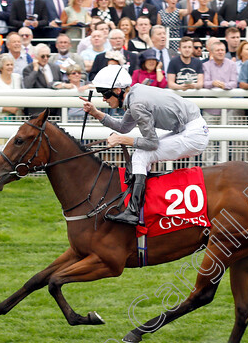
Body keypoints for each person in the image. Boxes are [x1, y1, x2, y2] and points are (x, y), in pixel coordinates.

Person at [80, 64, 210, 225]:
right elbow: (124, 127)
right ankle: (140, 200)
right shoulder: (136, 92)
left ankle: (133, 211)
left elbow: (151, 143)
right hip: (188, 127)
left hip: (193, 134)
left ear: (118, 91)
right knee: (140, 155)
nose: (103, 99)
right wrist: (96, 113)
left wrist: (121, 140)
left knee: (142, 155)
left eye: (105, 94)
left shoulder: (136, 104)